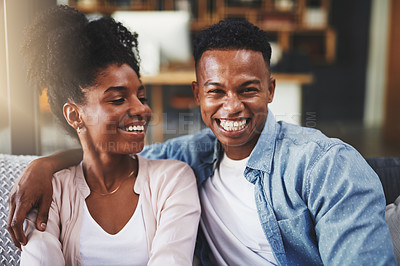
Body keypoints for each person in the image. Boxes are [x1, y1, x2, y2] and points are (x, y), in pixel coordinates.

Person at [8, 18, 396, 265]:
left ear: (271, 90)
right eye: (216, 91)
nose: (232, 107)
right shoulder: (190, 157)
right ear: (197, 93)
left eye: (248, 90)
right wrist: (43, 164)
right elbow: (107, 153)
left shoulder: (325, 165)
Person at [12, 5, 200, 265]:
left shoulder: (171, 181)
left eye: (141, 96)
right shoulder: (50, 191)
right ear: (75, 116)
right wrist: (43, 166)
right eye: (118, 99)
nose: (142, 109)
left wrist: (45, 163)